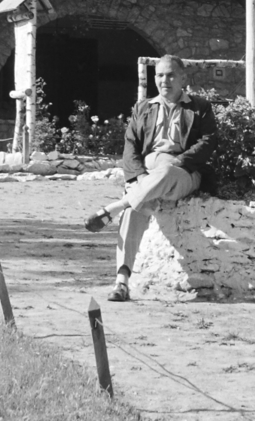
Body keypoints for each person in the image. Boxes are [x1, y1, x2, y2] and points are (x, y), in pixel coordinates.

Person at [83, 54, 218, 302]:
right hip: (147, 175)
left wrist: (176, 162)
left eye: (170, 75)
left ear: (183, 78)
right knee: (136, 208)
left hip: (183, 172)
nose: (164, 80)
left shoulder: (200, 107)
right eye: (159, 75)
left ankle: (114, 207)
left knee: (163, 173)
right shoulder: (143, 108)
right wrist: (135, 178)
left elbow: (207, 142)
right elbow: (131, 145)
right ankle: (121, 282)